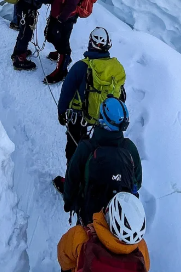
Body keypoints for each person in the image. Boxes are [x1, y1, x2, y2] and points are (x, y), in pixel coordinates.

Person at [52, 28, 126, 193]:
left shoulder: (80, 67)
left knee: (74, 152)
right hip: (104, 123)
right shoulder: (116, 68)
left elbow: (66, 92)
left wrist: (62, 112)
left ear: (91, 43)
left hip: (79, 120)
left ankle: (71, 186)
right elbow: (121, 96)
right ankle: (92, 184)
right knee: (96, 154)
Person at [63, 96, 142, 223]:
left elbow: (72, 180)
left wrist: (69, 203)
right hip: (120, 220)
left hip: (89, 217)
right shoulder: (129, 149)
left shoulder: (86, 148)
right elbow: (137, 182)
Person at [43, 0, 87, 85]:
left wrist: (61, 19)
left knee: (62, 41)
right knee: (52, 36)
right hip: (61, 15)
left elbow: (72, 3)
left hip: (65, 17)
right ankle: (62, 56)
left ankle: (61, 70)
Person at [12, 0, 63, 70]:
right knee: (26, 33)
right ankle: (19, 59)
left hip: (22, 5)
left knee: (23, 31)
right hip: (28, 8)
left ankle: (18, 52)